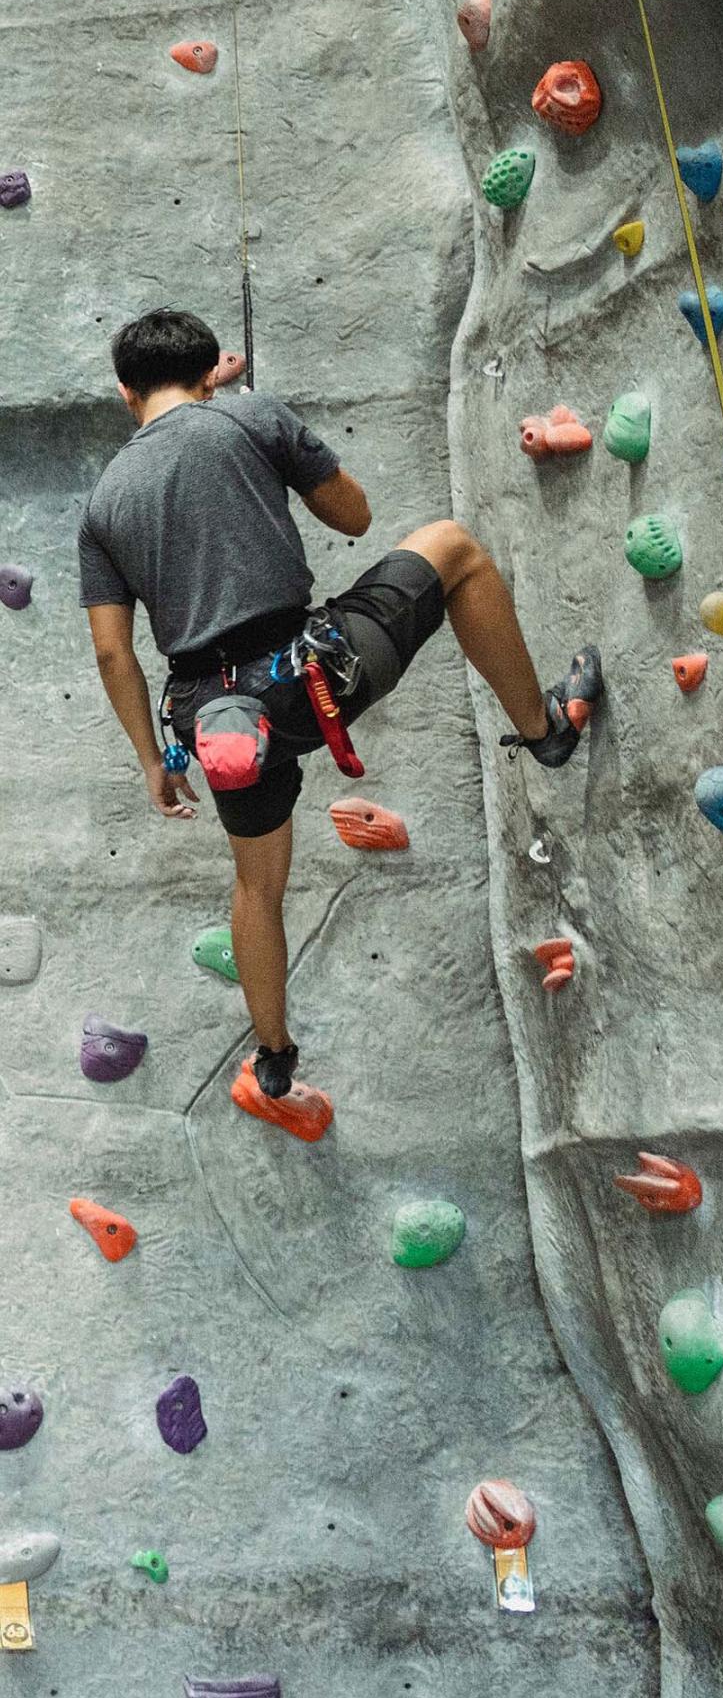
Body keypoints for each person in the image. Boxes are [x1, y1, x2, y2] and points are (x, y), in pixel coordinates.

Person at [79, 309, 602, 1109]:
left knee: (256, 887)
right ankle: (544, 730)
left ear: (126, 395)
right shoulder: (248, 416)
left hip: (213, 714)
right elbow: (353, 517)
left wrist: (153, 760)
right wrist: (260, 424)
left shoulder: (105, 502)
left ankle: (276, 1055)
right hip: (314, 673)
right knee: (454, 549)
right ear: (207, 368)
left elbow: (114, 652)